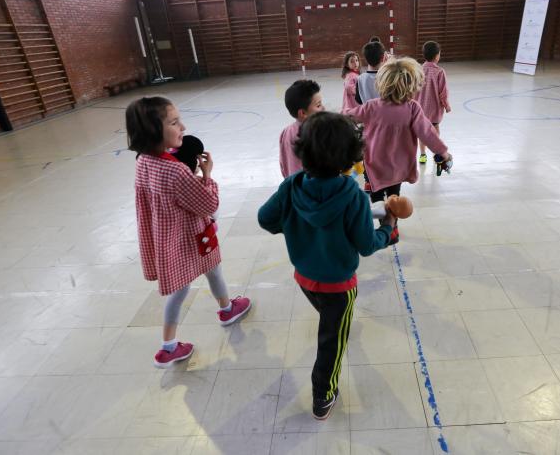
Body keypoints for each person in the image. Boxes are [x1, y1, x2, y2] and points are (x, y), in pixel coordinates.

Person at [258, 112, 395, 420]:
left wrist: (295, 228)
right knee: (331, 342)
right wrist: (388, 228)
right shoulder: (353, 197)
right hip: (338, 285)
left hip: (305, 278)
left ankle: (332, 321)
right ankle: (323, 394)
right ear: (350, 158)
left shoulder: (292, 186)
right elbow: (367, 245)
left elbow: (265, 218)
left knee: (328, 317)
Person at [126, 96, 251, 368]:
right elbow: (209, 204)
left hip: (167, 239)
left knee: (192, 282)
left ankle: (222, 310)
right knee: (208, 270)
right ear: (152, 130)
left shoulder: (143, 161)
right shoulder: (177, 172)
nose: (182, 126)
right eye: (174, 122)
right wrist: (207, 176)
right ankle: (175, 343)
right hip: (191, 237)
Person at [343, 58, 453, 244]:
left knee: (376, 198)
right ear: (412, 86)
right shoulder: (412, 108)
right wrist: (444, 153)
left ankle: (384, 227)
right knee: (395, 196)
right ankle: (393, 225)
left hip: (375, 165)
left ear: (382, 83)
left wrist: (326, 117)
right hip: (399, 167)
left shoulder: (372, 106)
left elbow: (349, 117)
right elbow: (428, 134)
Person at [279, 79, 325, 178]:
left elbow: (283, 164)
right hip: (309, 189)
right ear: (303, 113)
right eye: (318, 105)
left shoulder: (286, 131)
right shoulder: (313, 135)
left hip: (294, 187)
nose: (323, 108)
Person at [417, 41, 451, 164]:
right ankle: (436, 153)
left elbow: (413, 90)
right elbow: (443, 92)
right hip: (434, 109)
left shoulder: (418, 70)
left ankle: (422, 155)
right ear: (437, 56)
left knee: (422, 132)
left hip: (420, 109)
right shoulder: (440, 72)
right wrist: (447, 105)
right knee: (435, 130)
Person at [355, 40, 387, 105]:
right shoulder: (388, 76)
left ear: (366, 59)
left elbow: (358, 100)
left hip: (368, 113)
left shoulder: (360, 78)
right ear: (383, 57)